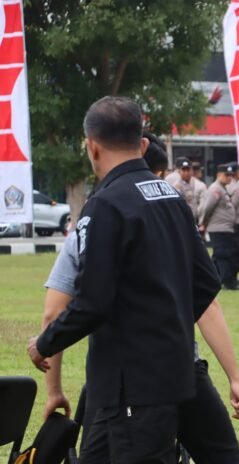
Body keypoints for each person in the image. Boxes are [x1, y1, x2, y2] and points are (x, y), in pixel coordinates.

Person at [27, 96, 222, 463]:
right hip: (157, 376)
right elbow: (207, 282)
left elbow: (92, 301)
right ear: (142, 143)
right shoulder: (171, 197)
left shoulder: (106, 204)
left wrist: (46, 343)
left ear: (92, 146)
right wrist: (165, 324)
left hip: (133, 384)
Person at [201, 164, 239, 290]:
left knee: (220, 255)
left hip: (225, 228)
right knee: (223, 255)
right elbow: (207, 208)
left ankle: (213, 279)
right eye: (226, 175)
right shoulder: (216, 189)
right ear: (218, 175)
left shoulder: (222, 188)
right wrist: (203, 223)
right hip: (219, 228)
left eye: (230, 175)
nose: (229, 177)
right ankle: (227, 281)